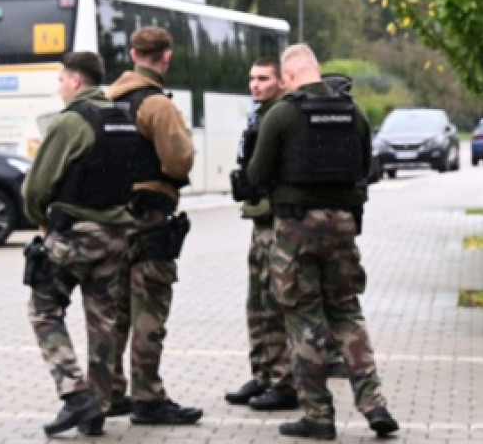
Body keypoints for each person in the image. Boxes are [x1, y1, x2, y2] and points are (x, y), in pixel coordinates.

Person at [247, 44, 399, 440]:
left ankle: (318, 415)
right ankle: (374, 403)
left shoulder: (283, 114)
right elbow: (366, 169)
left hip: (296, 229)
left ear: (289, 76)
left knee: (304, 317)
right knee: (347, 312)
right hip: (344, 226)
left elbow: (257, 174)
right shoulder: (355, 113)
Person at [23, 51, 136, 437]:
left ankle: (75, 394)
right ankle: (98, 409)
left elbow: (36, 186)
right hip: (117, 235)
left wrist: (40, 218)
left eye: (60, 80)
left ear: (74, 81)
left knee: (43, 309)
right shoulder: (123, 119)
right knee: (104, 321)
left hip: (75, 236)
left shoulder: (71, 121)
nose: (59, 88)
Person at [104, 25, 202, 426]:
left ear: (131, 53)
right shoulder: (157, 106)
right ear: (167, 57)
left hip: (110, 219)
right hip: (149, 218)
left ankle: (109, 390)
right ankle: (148, 397)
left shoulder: (105, 100)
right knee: (149, 309)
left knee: (113, 310)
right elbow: (178, 162)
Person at [225, 55, 298, 411]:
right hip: (258, 220)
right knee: (256, 302)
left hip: (276, 222)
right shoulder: (258, 116)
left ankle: (283, 380)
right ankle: (263, 373)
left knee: (274, 303)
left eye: (264, 79)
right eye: (252, 78)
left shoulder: (281, 117)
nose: (255, 85)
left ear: (282, 81)